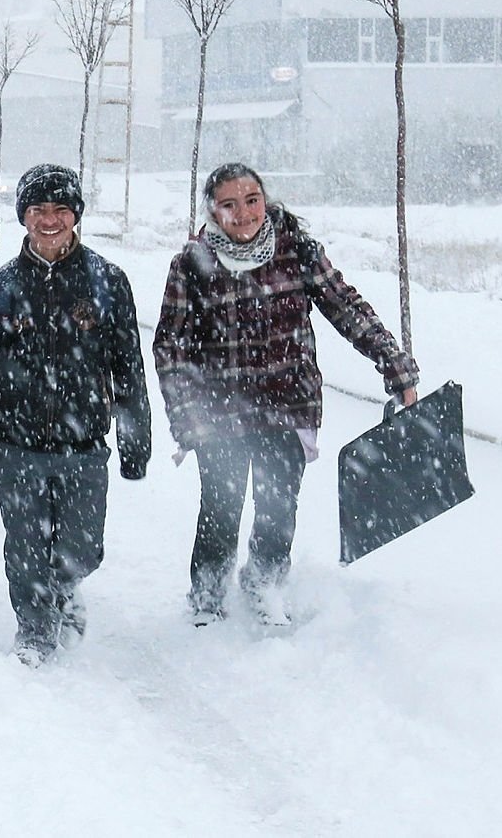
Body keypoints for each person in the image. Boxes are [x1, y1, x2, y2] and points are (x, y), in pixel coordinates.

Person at [153, 162, 419, 628]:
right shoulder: (192, 265)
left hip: (288, 405)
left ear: (265, 199)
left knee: (278, 507)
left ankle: (265, 589)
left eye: (251, 200)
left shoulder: (295, 250)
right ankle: (207, 601)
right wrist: (186, 416)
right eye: (229, 205)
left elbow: (346, 307)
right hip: (221, 416)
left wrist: (394, 365)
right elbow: (171, 348)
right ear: (212, 211)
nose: (243, 213)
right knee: (220, 507)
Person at [0, 164, 150, 667]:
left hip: (83, 446)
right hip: (16, 446)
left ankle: (67, 585)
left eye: (60, 209)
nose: (49, 219)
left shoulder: (107, 281)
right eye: (38, 209)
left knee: (83, 548)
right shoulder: (0, 287)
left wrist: (134, 440)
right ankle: (35, 630)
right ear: (23, 216)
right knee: (25, 546)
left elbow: (128, 366)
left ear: (76, 215)